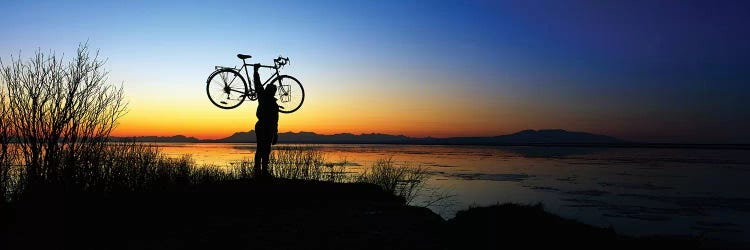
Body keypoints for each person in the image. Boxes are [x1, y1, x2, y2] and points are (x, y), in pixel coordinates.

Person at [252, 64, 279, 178]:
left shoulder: (274, 103)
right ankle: (259, 172)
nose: (273, 92)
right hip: (263, 126)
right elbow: (257, 84)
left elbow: (276, 119)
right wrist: (255, 71)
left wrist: (275, 133)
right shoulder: (263, 96)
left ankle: (263, 172)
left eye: (274, 91)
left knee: (266, 149)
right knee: (261, 149)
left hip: (268, 127)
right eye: (272, 90)